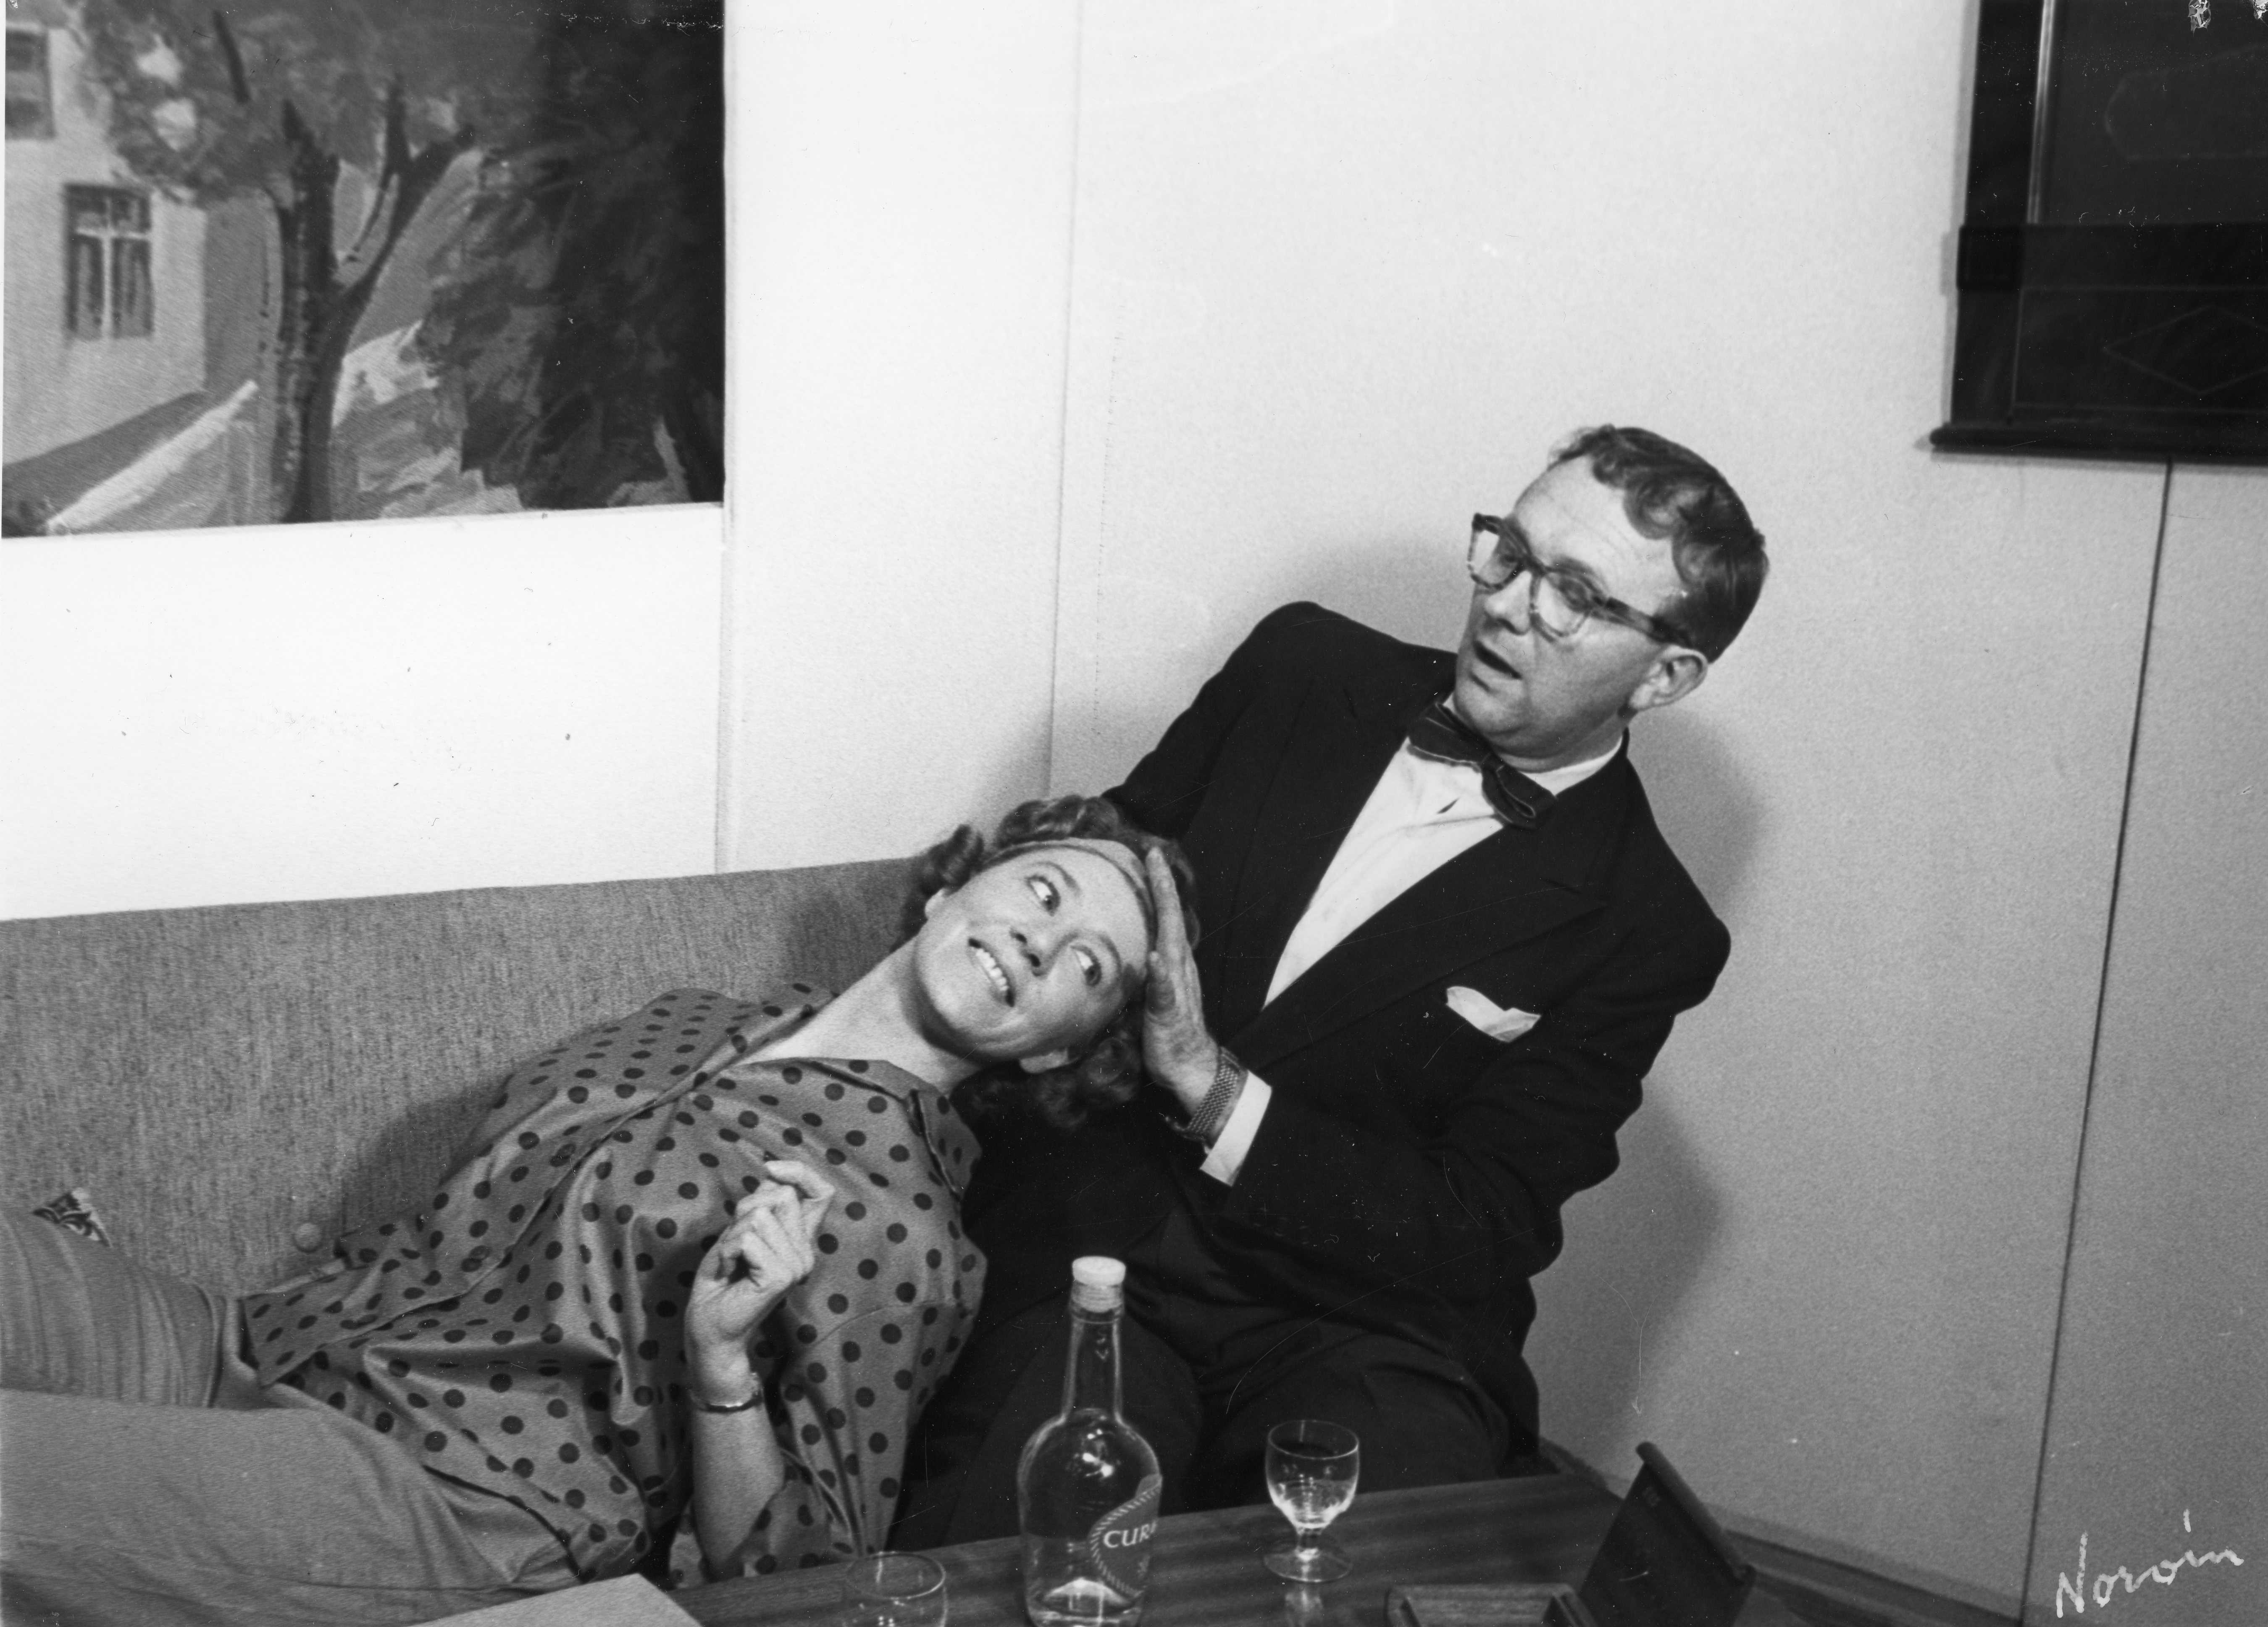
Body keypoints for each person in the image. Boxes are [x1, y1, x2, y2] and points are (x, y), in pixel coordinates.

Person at [1, 795, 1195, 1625]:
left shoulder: (906, 1233)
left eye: (1088, 967)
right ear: (958, 884)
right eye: (1044, 889)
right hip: (262, 1338)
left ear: (1056, 1053)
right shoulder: (700, 1019)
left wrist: (722, 1367)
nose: (1041, 940)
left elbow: (805, 1577)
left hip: (442, 1494)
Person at [895, 425, 1769, 1544]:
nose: (1506, 607)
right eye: (1510, 553)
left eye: (1575, 597)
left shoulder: (1647, 926)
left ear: (1666, 675)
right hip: (1109, 1242)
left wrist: (1214, 1089)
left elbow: (1482, 1222)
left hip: (1367, 1325)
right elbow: (1103, 876)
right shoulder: (1300, 669)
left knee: (1364, 1568)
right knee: (1028, 1532)